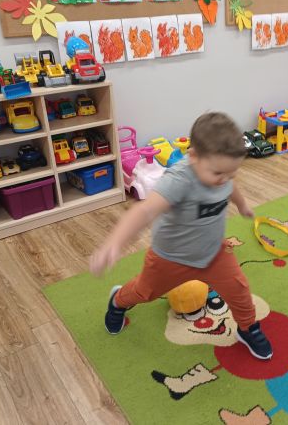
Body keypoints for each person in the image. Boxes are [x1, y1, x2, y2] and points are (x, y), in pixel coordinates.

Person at [89, 112, 273, 360]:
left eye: (232, 173)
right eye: (218, 173)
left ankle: (248, 328)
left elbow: (231, 187)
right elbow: (144, 211)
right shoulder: (178, 179)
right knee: (145, 292)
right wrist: (113, 243)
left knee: (239, 289)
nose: (224, 180)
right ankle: (118, 300)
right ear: (193, 156)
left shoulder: (222, 173)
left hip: (213, 252)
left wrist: (242, 205)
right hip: (170, 258)